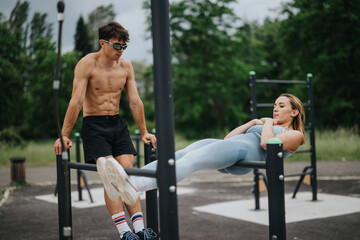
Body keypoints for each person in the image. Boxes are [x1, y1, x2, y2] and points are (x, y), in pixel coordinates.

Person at [97, 93, 306, 203]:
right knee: (178, 155)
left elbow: (265, 144)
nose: (275, 108)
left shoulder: (295, 135)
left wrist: (267, 123)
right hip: (230, 146)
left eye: (281, 106)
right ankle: (125, 182)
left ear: (294, 113)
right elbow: (228, 137)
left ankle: (136, 186)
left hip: (243, 154)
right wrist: (252, 123)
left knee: (192, 161)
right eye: (275, 105)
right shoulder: (263, 126)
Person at [53, 21, 158, 240]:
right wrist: (64, 134)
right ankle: (124, 232)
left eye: (124, 47)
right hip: (94, 125)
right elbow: (76, 101)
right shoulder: (87, 64)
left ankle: (140, 229)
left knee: (128, 175)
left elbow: (135, 101)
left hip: (117, 124)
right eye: (117, 46)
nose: (121, 51)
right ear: (103, 43)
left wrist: (145, 131)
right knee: (112, 177)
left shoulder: (126, 67)